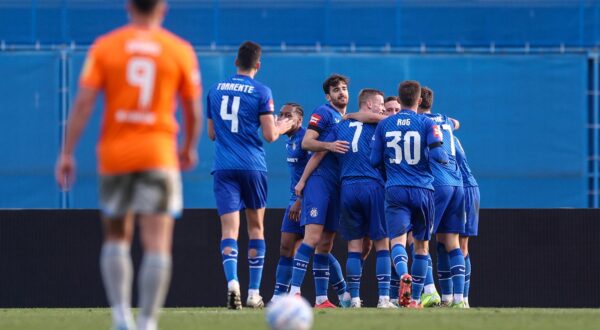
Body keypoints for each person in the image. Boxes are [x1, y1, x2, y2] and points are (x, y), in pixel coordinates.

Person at [55, 1, 202, 329]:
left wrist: (67, 152)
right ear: (162, 8)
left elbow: (82, 103)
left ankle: (121, 316)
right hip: (159, 154)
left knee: (116, 237)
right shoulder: (178, 50)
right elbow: (192, 108)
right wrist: (189, 147)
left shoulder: (106, 46)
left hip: (115, 156)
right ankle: (147, 322)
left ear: (128, 6)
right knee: (157, 242)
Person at [206, 41, 292, 310]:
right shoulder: (261, 91)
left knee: (229, 230)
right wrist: (284, 124)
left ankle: (233, 283)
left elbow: (211, 134)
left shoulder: (215, 89)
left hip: (224, 166)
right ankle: (254, 292)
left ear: (235, 62)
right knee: (256, 227)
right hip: (252, 167)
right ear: (258, 64)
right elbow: (269, 135)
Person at [370, 80, 448, 309]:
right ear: (420, 100)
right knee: (422, 246)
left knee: (397, 241)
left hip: (395, 188)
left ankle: (403, 274)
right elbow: (438, 155)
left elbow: (374, 160)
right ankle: (414, 298)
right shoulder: (426, 123)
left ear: (399, 99)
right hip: (423, 189)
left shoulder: (384, 125)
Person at [325, 89, 396, 308]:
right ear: (368, 104)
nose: (383, 108)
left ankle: (353, 298)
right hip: (373, 185)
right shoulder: (383, 125)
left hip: (348, 187)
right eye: (380, 104)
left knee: (354, 248)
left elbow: (318, 150)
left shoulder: (340, 126)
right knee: (382, 244)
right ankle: (384, 298)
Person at [289, 74, 352, 308]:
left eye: (344, 88)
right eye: (336, 90)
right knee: (312, 238)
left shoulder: (345, 119)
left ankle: (321, 299)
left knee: (326, 244)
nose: (341, 92)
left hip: (337, 185)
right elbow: (308, 143)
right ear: (328, 96)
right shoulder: (324, 112)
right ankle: (294, 292)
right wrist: (303, 182)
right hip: (319, 182)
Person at [418, 87, 467, 308]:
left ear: (417, 101)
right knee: (451, 243)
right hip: (458, 185)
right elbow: (457, 123)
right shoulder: (445, 120)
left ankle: (430, 293)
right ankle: (459, 300)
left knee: (419, 240)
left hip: (437, 184)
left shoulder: (420, 123)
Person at [270, 103, 310, 302]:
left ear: (299, 120)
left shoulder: (306, 139)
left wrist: (301, 200)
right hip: (293, 200)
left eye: (288, 115)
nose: (282, 118)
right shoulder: (289, 140)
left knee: (318, 250)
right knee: (286, 248)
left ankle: (342, 290)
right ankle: (279, 296)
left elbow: (315, 172)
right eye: (281, 114)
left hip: (307, 200)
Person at [455, 135, 480, 309]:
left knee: (460, 246)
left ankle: (463, 298)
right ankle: (458, 298)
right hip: (460, 188)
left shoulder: (436, 133)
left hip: (464, 189)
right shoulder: (448, 129)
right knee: (451, 245)